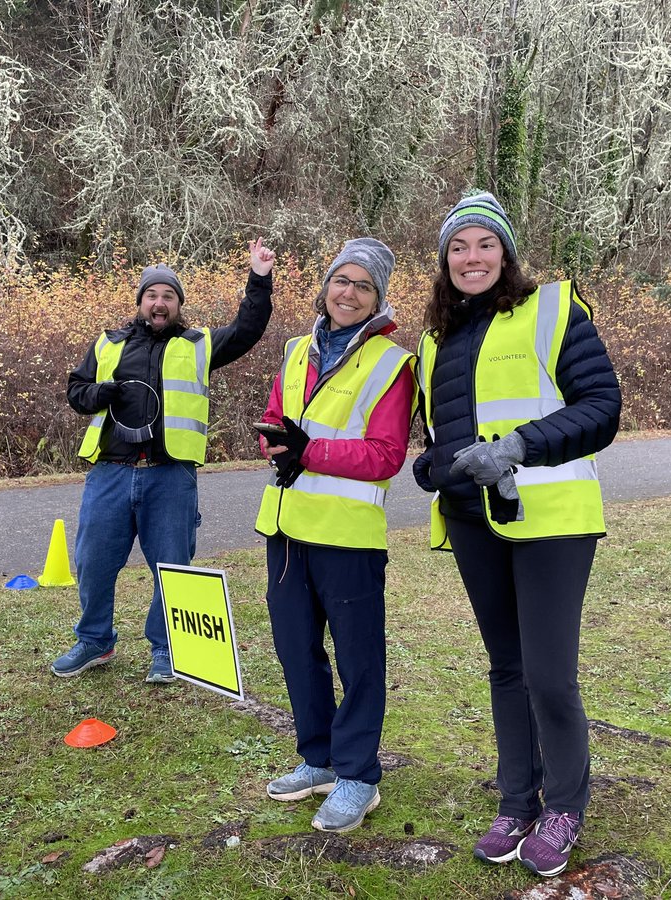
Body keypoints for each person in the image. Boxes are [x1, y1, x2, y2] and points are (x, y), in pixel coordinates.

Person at [412, 193, 621, 877]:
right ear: (445, 261)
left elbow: (601, 408)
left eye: (484, 244)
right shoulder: (432, 339)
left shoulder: (553, 310)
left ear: (505, 252)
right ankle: (516, 799)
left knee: (550, 677)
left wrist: (517, 448)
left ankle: (564, 806)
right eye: (459, 247)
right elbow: (440, 437)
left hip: (551, 521)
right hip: (476, 524)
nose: (471, 258)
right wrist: (434, 465)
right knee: (506, 669)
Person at [52, 239, 276, 683]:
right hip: (110, 474)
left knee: (173, 567)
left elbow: (248, 328)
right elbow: (76, 392)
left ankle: (166, 648)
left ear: (178, 305)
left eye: (168, 296)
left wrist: (259, 277)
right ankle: (95, 641)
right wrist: (102, 392)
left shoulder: (199, 344)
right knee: (93, 562)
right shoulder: (108, 344)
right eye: (151, 295)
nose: (159, 303)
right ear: (140, 303)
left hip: (170, 476)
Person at [253, 238, 417, 833]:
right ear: (325, 286)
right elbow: (278, 419)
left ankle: (357, 776)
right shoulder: (298, 349)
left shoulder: (391, 364)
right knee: (296, 652)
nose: (348, 293)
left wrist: (309, 450)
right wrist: (276, 442)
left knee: (358, 660)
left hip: (348, 537)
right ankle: (317, 760)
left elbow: (386, 455)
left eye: (363, 285)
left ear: (378, 298)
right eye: (340, 281)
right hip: (286, 529)